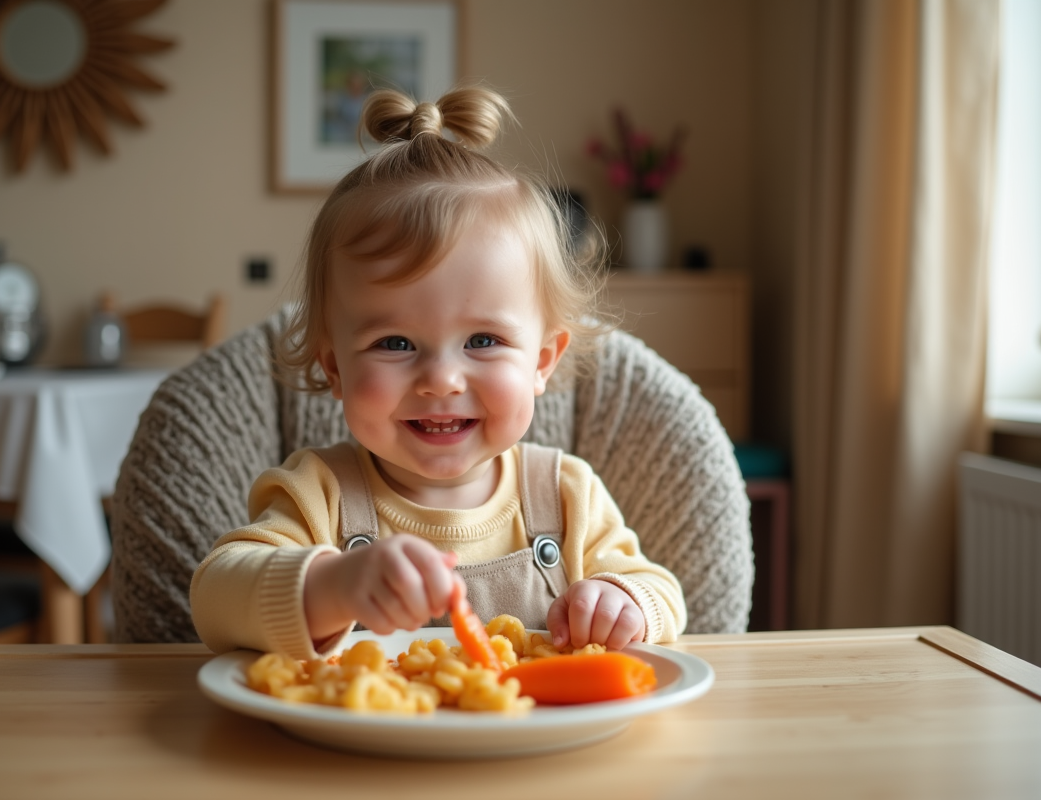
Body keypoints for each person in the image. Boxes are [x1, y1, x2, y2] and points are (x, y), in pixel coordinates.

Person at [189, 86, 686, 659]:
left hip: (537, 742)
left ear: (542, 361)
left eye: (483, 340)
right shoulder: (319, 495)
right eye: (395, 342)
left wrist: (624, 602)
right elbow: (215, 596)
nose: (442, 380)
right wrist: (331, 586)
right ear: (335, 368)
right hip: (355, 743)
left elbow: (662, 593)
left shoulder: (564, 497)